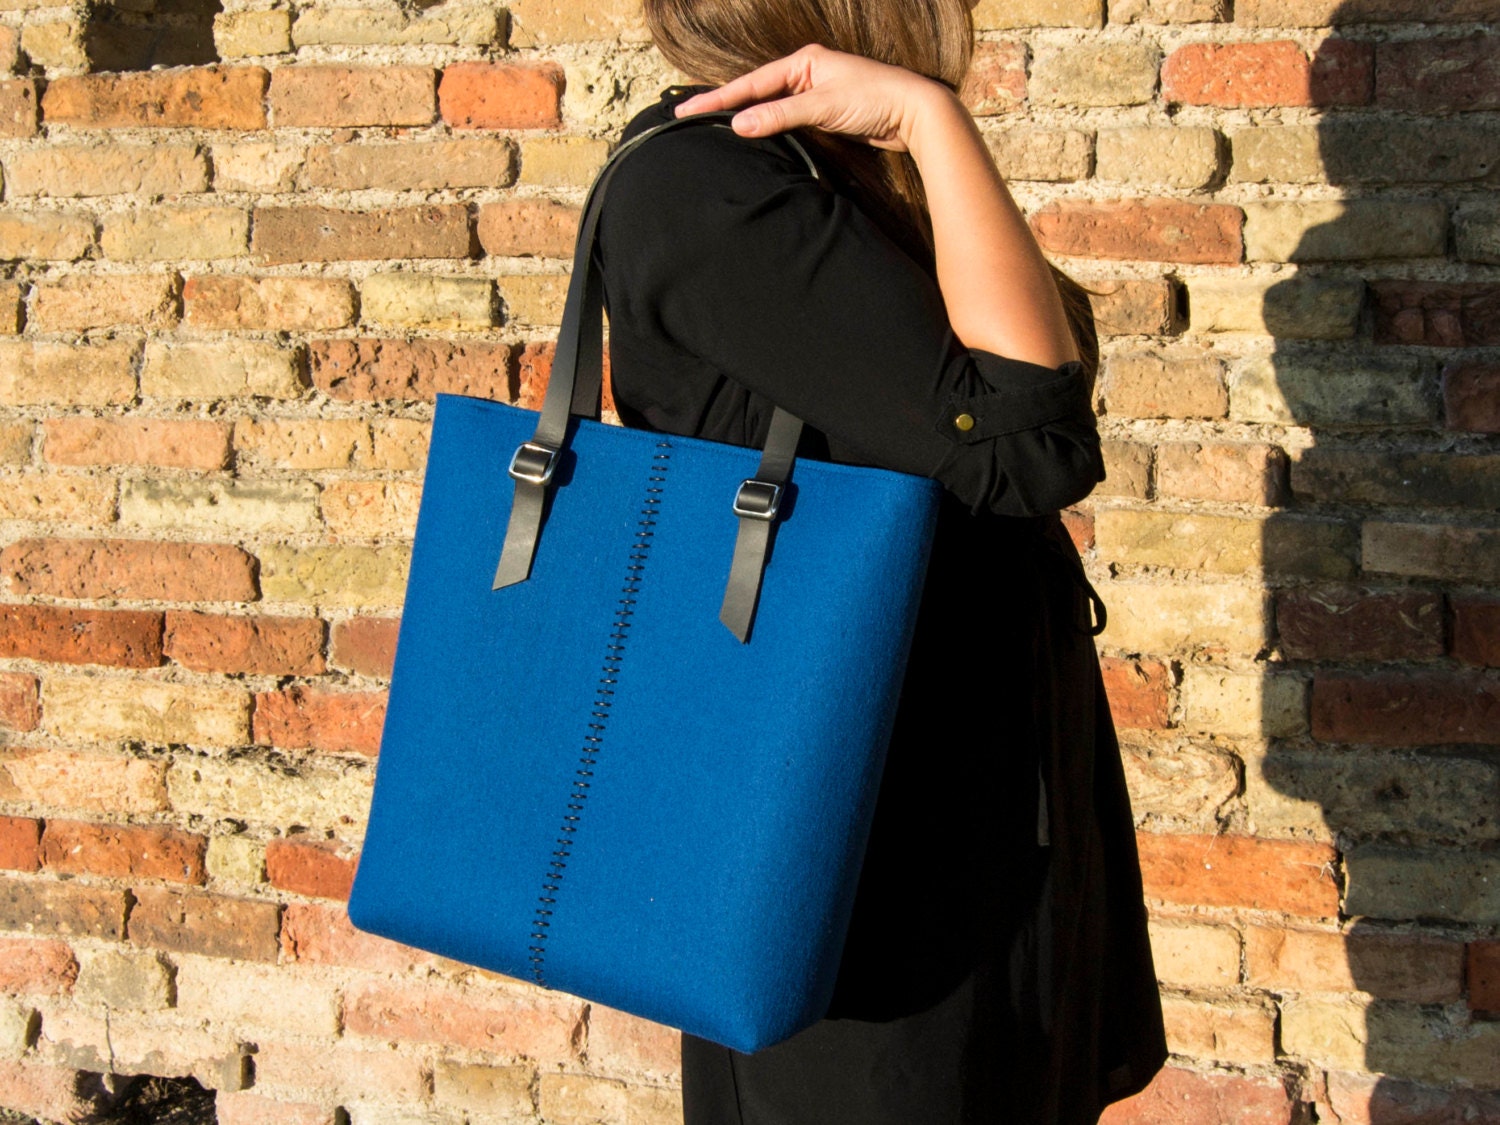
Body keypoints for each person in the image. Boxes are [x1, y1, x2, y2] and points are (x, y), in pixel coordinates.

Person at [592, 1, 1169, 1121]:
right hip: (858, 861)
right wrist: (930, 114)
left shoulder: (824, 169)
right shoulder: (715, 187)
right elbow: (1026, 443)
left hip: (953, 812)